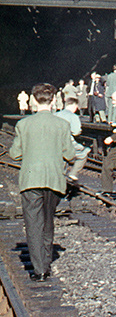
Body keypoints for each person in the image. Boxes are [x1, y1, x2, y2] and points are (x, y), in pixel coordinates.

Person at [9, 83, 76, 281]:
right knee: (48, 222)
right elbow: (70, 155)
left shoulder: (23, 124)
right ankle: (46, 263)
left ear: (34, 100)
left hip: (30, 180)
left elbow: (14, 154)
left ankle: (39, 270)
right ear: (53, 100)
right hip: (54, 181)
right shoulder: (62, 125)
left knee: (33, 224)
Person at [54, 97, 90, 182]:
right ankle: (72, 174)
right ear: (74, 105)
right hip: (67, 143)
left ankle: (59, 176)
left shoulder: (55, 114)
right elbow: (76, 132)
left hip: (54, 142)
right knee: (83, 153)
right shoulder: (73, 116)